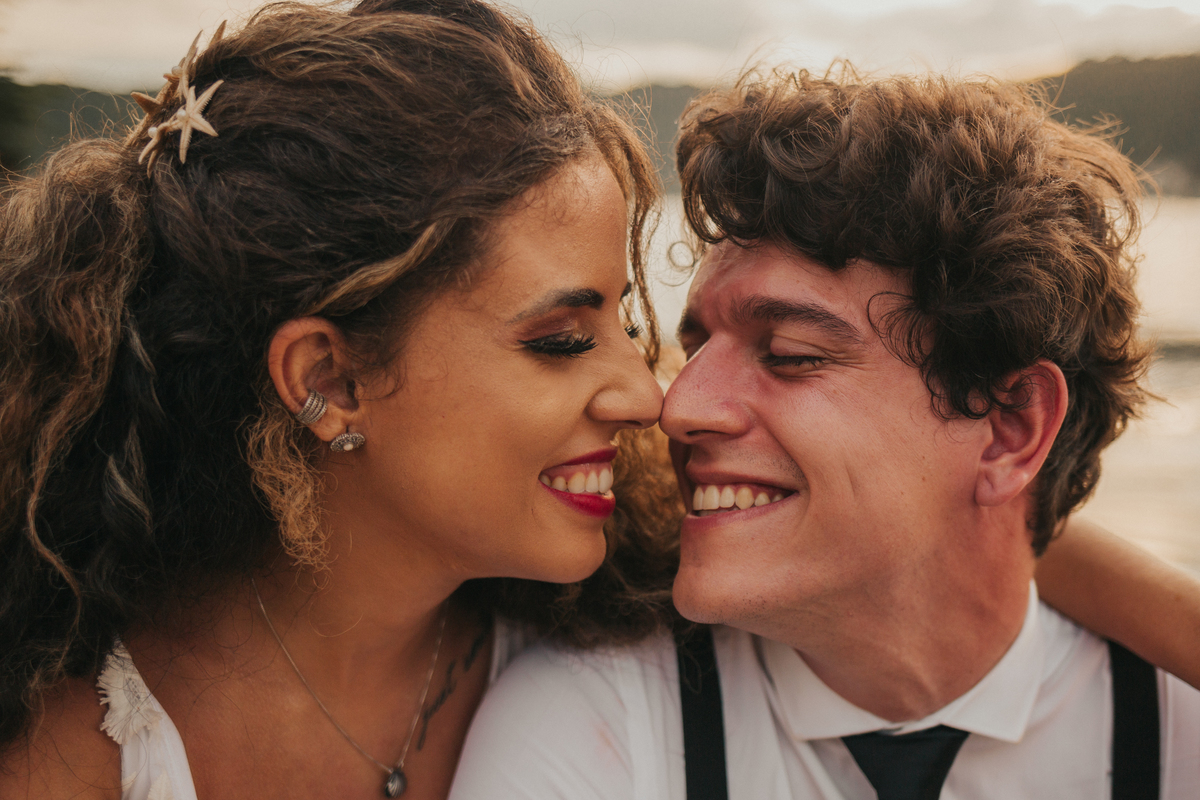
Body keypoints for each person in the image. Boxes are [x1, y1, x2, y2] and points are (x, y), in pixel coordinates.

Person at [449, 68, 1200, 799]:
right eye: (697, 345)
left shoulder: (1178, 733)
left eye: (790, 356)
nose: (678, 408)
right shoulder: (598, 723)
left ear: (1010, 430)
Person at [0, 2, 678, 798]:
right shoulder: (64, 744)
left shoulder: (644, 652)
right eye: (560, 340)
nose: (645, 395)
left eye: (627, 320)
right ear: (328, 381)